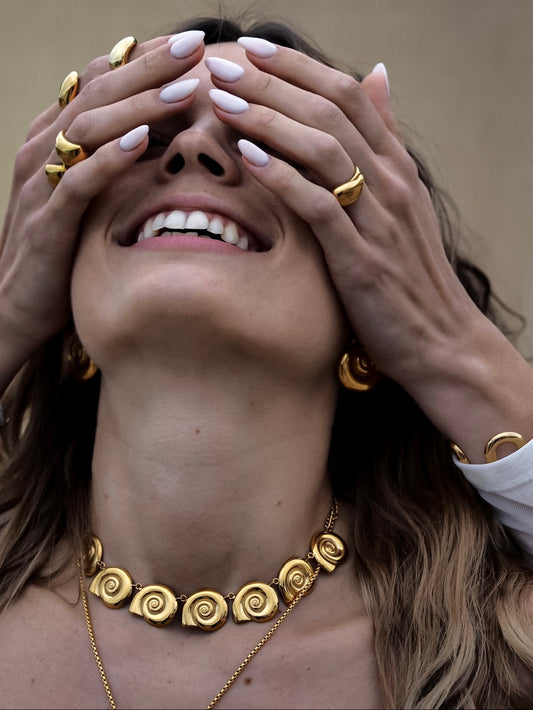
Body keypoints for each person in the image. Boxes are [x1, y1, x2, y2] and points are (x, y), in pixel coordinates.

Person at [0, 14, 532, 709]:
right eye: (146, 139)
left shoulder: (502, 655)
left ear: (377, 295)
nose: (192, 151)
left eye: (265, 145)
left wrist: (447, 348)